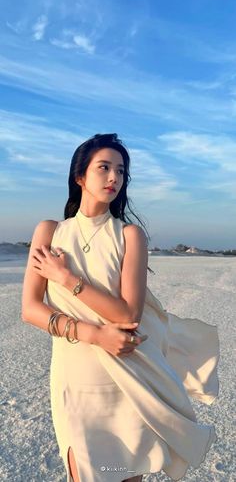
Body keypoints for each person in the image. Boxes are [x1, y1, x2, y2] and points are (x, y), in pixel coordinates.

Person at [22, 133, 220, 482]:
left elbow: (127, 314)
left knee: (126, 474)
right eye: (104, 168)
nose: (114, 177)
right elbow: (30, 309)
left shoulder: (129, 235)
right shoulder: (49, 232)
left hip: (126, 378)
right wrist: (93, 333)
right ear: (80, 176)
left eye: (121, 171)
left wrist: (66, 278)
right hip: (75, 378)